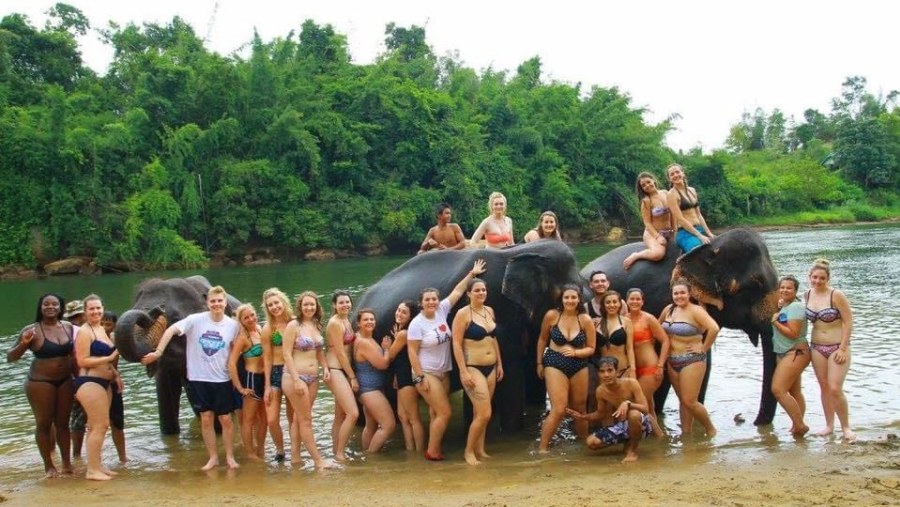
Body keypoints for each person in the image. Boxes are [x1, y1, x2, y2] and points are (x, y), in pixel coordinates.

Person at [142, 285, 240, 470]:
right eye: (213, 301)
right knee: (206, 418)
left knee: (226, 420)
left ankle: (229, 456)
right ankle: (212, 458)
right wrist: (158, 352)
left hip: (222, 379)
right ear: (206, 303)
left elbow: (241, 347)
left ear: (225, 302)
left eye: (220, 301)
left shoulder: (233, 325)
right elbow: (171, 330)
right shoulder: (195, 320)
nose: (216, 304)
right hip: (198, 378)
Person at [408, 259, 487, 461]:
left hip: (443, 371)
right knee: (445, 413)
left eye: (434, 299)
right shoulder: (417, 324)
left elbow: (458, 292)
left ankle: (434, 446)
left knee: (436, 413)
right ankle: (432, 452)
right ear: (421, 303)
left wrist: (472, 274)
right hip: (426, 372)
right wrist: (419, 377)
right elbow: (411, 351)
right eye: (427, 300)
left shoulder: (442, 310)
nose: (432, 302)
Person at [6, 293, 76, 477]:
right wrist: (23, 344)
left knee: (63, 423)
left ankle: (67, 464)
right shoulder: (32, 330)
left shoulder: (68, 326)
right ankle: (49, 466)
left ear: (60, 307)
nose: (50, 307)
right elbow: (10, 357)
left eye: (54, 304)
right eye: (46, 304)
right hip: (40, 382)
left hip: (66, 380)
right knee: (44, 423)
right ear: (40, 307)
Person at [536, 284, 597, 452]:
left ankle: (584, 443)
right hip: (554, 362)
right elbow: (542, 340)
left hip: (579, 364)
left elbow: (591, 348)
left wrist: (576, 352)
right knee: (559, 408)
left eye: (573, 298)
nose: (570, 301)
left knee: (580, 407)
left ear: (579, 300)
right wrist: (539, 363)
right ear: (561, 299)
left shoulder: (585, 320)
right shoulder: (552, 316)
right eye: (567, 297)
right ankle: (542, 448)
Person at [451, 277, 504, 465]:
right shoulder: (463, 314)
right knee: (485, 413)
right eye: (477, 290)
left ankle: (480, 449)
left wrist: (499, 364)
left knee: (479, 413)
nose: (481, 293)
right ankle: (468, 451)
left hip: (491, 366)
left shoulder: (489, 311)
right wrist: (463, 371)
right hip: (473, 367)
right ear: (468, 294)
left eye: (483, 290)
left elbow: (493, 339)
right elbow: (456, 344)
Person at [660, 280, 719, 437]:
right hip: (673, 360)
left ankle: (710, 429)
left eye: (682, 293)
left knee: (689, 401)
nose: (679, 296)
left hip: (692, 360)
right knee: (683, 401)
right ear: (672, 295)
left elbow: (713, 328)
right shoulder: (668, 310)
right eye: (676, 293)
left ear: (689, 294)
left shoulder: (696, 311)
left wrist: (703, 348)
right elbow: (658, 328)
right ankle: (686, 433)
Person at [566, 356, 653, 463]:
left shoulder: (631, 383)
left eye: (610, 370)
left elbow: (645, 409)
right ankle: (627, 441)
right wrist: (582, 417)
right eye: (602, 371)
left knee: (633, 414)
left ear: (617, 372)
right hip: (623, 425)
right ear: (598, 373)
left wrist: (628, 404)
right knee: (591, 442)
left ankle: (632, 451)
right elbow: (600, 414)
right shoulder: (601, 391)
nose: (606, 375)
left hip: (642, 423)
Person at [281, 291, 333, 468]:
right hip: (295, 376)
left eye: (312, 304)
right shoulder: (293, 326)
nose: (309, 307)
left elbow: (319, 351)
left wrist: (325, 367)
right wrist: (296, 380)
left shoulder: (317, 325)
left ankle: (295, 458)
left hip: (313, 378)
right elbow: (286, 354)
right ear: (300, 307)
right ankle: (319, 461)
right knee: (306, 420)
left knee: (298, 418)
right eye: (306, 305)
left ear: (317, 306)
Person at [805, 258, 854, 441]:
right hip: (817, 346)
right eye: (815, 277)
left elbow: (848, 321)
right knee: (824, 387)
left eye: (822, 278)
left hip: (837, 347)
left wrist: (842, 348)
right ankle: (829, 426)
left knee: (835, 388)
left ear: (828, 279)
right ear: (809, 277)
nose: (817, 281)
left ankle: (846, 427)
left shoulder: (836, 295)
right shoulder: (807, 295)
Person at [73, 295, 121, 480]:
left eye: (98, 308)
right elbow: (82, 360)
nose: (96, 312)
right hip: (90, 382)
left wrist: (116, 375)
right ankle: (92, 470)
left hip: (104, 383)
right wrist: (109, 359)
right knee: (100, 425)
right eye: (91, 309)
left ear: (103, 308)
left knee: (94, 426)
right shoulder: (85, 332)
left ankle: (97, 464)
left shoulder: (100, 328)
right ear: (85, 312)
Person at [624, 288, 669, 436]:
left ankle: (656, 437)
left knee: (639, 404)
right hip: (633, 370)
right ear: (627, 301)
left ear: (643, 301)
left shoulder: (649, 319)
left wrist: (661, 366)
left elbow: (665, 341)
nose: (635, 302)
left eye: (638, 299)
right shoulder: (623, 318)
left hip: (650, 368)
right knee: (648, 405)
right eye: (632, 299)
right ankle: (657, 439)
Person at [770, 275, 810, 437]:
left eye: (789, 288)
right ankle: (796, 426)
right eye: (782, 287)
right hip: (784, 352)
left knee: (778, 390)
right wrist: (779, 309)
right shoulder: (786, 305)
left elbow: (793, 333)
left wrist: (775, 322)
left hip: (796, 352)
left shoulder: (796, 307)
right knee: (795, 392)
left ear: (796, 291)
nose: (784, 290)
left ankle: (800, 425)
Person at [228, 304, 267, 460]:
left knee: (265, 419)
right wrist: (239, 387)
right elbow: (231, 363)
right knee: (248, 420)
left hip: (265, 379)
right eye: (246, 317)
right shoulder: (243, 337)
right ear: (241, 321)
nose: (251, 319)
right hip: (252, 379)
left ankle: (261, 449)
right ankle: (250, 453)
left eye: (252, 315)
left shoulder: (259, 329)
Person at [353, 308, 396, 452]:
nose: (370, 322)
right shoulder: (364, 342)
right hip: (370, 390)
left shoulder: (366, 338)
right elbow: (383, 364)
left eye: (372, 319)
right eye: (365, 320)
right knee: (389, 425)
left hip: (370, 389)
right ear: (358, 323)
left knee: (371, 426)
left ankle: (366, 454)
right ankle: (372, 458)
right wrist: (387, 349)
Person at [324, 290, 359, 461]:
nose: (345, 305)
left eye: (347, 302)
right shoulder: (335, 323)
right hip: (336, 369)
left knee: (340, 415)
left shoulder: (346, 320)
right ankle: (339, 453)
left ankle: (334, 450)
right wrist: (352, 376)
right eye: (341, 303)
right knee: (353, 414)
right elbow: (340, 353)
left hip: (342, 370)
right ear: (334, 305)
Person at [260, 288, 294, 462]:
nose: (274, 307)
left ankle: (295, 451)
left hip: (292, 371)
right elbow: (266, 359)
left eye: (276, 303)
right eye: (270, 305)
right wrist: (266, 386)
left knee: (292, 417)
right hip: (275, 372)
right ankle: (280, 451)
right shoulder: (268, 329)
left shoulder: (294, 322)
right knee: (272, 418)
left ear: (283, 302)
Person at [385, 300, 424, 451]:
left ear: (410, 317)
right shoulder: (402, 333)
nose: (399, 314)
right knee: (403, 416)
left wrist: (388, 347)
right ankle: (410, 449)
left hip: (407, 378)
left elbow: (391, 356)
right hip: (401, 376)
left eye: (404, 312)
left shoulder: (403, 334)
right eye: (398, 310)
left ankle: (419, 451)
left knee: (413, 418)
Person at [623, 172, 674, 270]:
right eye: (643, 185)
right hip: (652, 233)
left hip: (668, 231)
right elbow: (647, 222)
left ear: (653, 180)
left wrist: (674, 231)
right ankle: (637, 255)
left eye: (648, 182)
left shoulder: (665, 193)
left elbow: (672, 214)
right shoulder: (646, 201)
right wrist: (658, 236)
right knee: (658, 254)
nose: (647, 185)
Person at [665, 163, 714, 254]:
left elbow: (699, 215)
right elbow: (680, 219)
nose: (675, 175)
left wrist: (708, 232)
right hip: (685, 233)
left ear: (683, 173)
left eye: (677, 172)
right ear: (669, 179)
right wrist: (699, 236)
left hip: (700, 229)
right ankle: (679, 267)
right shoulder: (671, 195)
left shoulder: (692, 190)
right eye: (672, 174)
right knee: (700, 252)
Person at [100, 311, 127, 463]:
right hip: (96, 383)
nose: (104, 327)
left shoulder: (117, 339)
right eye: (102, 323)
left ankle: (123, 458)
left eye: (108, 324)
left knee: (117, 422)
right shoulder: (92, 338)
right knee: (96, 424)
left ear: (115, 326)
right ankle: (92, 459)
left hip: (113, 384)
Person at [64, 300, 87, 458]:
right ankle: (77, 455)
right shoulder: (81, 332)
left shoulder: (60, 330)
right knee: (78, 420)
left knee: (57, 420)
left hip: (59, 381)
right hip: (78, 379)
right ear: (82, 315)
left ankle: (54, 452)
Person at [597, 291, 636, 379]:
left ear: (619, 304)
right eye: (608, 302)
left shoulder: (626, 322)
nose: (612, 305)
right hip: (604, 372)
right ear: (603, 305)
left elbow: (630, 349)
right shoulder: (597, 324)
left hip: (623, 369)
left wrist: (632, 369)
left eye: (615, 302)